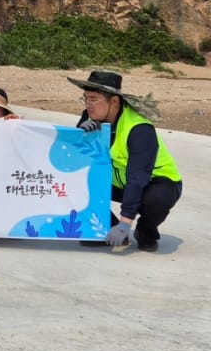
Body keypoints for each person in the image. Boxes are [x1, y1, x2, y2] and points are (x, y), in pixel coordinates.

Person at [70, 70, 182, 252]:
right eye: (85, 98)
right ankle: (106, 228)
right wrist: (80, 134)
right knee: (73, 182)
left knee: (157, 199)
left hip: (154, 182)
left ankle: (146, 231)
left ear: (114, 101)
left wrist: (124, 224)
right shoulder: (89, 116)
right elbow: (77, 158)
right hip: (118, 182)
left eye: (93, 99)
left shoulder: (139, 129)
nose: (88, 105)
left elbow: (137, 178)